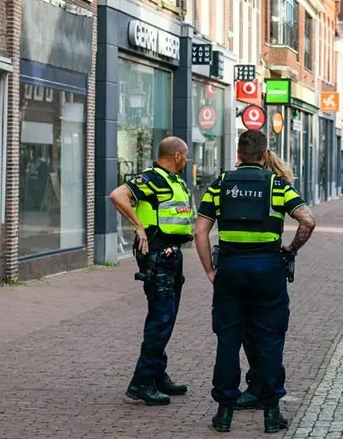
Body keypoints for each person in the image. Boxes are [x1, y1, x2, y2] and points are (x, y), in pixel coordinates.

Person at [194, 130, 316, 434]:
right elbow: (308, 220)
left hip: (231, 269)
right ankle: (272, 412)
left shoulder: (220, 184)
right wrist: (291, 249)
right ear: (264, 155)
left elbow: (200, 232)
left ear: (239, 154)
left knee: (228, 340)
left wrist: (210, 270)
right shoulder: (277, 185)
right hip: (268, 270)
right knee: (270, 339)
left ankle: (224, 413)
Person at [109, 137, 194, 406]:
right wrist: (138, 226)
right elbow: (117, 195)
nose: (187, 160)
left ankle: (157, 373)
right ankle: (141, 382)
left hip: (170, 254)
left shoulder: (174, 181)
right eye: (186, 156)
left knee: (163, 317)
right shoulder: (152, 179)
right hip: (157, 255)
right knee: (161, 318)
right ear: (178, 156)